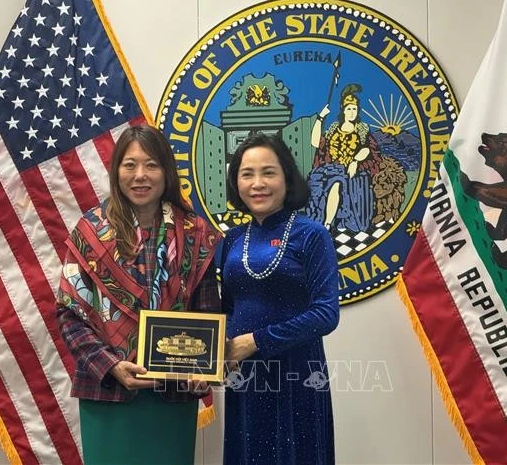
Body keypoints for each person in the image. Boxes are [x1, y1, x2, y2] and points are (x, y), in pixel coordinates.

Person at [56, 124, 221, 464]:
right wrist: (112, 365)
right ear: (116, 171)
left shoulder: (195, 232)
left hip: (173, 393)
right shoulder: (90, 231)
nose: (140, 175)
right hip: (106, 391)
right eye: (130, 165)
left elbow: (207, 312)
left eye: (151, 164)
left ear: (167, 171)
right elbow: (69, 315)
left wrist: (203, 367)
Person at [221, 132, 340, 464]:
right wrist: (214, 348)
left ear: (287, 178)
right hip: (244, 377)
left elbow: (326, 313)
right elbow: (228, 309)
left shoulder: (312, 235)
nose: (258, 183)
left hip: (297, 375)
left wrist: (256, 341)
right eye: (247, 174)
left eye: (268, 172)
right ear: (236, 183)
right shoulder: (232, 240)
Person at [307, 83, 384, 233]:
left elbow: (368, 149)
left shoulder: (362, 129)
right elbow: (315, 142)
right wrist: (320, 118)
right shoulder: (334, 128)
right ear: (343, 110)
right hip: (330, 168)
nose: (352, 112)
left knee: (336, 184)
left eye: (354, 109)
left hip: (350, 171)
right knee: (315, 181)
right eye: (349, 109)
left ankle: (327, 224)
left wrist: (355, 161)